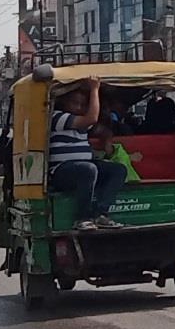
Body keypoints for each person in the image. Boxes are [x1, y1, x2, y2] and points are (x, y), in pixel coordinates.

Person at [48, 77, 126, 230]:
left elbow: (100, 129)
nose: (78, 107)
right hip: (60, 171)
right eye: (74, 103)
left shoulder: (81, 121)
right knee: (88, 169)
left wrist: (107, 140)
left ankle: (101, 214)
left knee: (118, 170)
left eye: (82, 105)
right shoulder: (57, 117)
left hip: (84, 168)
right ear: (64, 102)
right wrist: (94, 89)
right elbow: (91, 119)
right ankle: (82, 218)